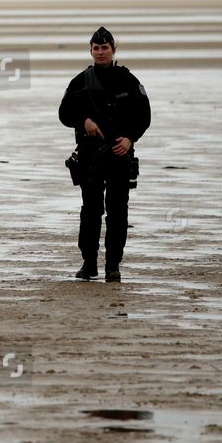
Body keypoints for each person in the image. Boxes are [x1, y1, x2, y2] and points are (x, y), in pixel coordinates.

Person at [58, 26, 151, 282]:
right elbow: (64, 114)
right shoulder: (79, 81)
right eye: (96, 48)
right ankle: (89, 263)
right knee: (91, 211)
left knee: (118, 212)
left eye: (105, 48)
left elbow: (144, 116)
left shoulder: (128, 80)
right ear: (90, 51)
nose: (100, 52)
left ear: (113, 50)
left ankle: (113, 266)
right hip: (90, 158)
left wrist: (131, 139)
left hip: (119, 155)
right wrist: (83, 120)